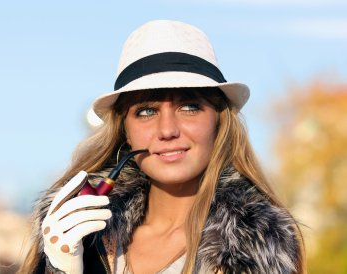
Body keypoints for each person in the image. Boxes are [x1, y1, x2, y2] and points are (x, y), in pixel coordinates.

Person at [19, 20, 305, 274]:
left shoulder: (259, 250)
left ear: (218, 123)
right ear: (125, 130)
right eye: (146, 111)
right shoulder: (83, 239)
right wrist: (60, 269)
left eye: (190, 106)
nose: (167, 130)